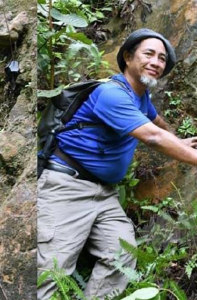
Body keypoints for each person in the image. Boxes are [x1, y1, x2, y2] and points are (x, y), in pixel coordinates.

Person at [37, 28, 197, 300]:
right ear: (127, 56)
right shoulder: (112, 94)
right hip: (67, 187)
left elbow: (156, 123)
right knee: (51, 272)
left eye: (161, 59)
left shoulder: (141, 98)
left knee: (121, 257)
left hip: (104, 194)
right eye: (149, 54)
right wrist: (182, 149)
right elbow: (153, 136)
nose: (156, 62)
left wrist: (179, 140)